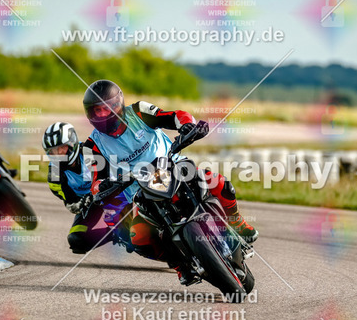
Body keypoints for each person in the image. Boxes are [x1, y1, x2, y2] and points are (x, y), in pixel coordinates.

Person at [81, 80, 257, 284]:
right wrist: (102, 187)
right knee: (138, 237)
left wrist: (187, 125)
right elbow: (96, 180)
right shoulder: (92, 145)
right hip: (139, 191)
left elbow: (174, 116)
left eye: (107, 108)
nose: (103, 114)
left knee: (218, 182)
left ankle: (236, 221)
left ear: (118, 104)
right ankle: (179, 265)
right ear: (90, 113)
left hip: (172, 166)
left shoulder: (138, 111)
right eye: (97, 110)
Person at [43, 122, 114, 254]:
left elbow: (116, 169)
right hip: (90, 203)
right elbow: (71, 206)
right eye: (53, 151)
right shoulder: (54, 175)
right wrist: (83, 202)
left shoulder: (90, 151)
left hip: (113, 192)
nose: (58, 154)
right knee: (76, 239)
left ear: (72, 144)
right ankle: (115, 233)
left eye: (61, 148)